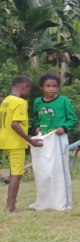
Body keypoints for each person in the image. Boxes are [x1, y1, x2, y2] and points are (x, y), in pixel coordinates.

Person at [1, 75, 43, 212]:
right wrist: (30, 140)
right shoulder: (20, 102)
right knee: (16, 174)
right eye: (29, 90)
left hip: (4, 141)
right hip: (16, 143)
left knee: (14, 171)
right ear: (24, 87)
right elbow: (15, 124)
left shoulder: (6, 101)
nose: (28, 93)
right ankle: (10, 206)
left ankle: (10, 204)